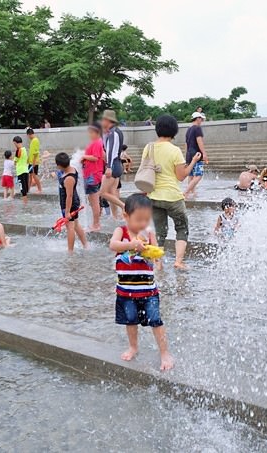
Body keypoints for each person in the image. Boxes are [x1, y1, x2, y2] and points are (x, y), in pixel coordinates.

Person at [109, 193, 173, 371]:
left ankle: (164, 352)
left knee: (155, 321)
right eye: (138, 219)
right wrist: (131, 245)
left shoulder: (148, 234)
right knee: (130, 321)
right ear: (126, 216)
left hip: (148, 291)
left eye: (146, 219)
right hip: (125, 292)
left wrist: (155, 259)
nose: (143, 223)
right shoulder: (121, 232)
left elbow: (156, 256)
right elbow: (113, 245)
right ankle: (133, 346)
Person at [144, 114, 201, 270]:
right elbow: (182, 176)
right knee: (182, 227)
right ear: (174, 131)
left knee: (160, 231)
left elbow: (146, 171)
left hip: (153, 196)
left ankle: (158, 263)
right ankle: (178, 261)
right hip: (172, 197)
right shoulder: (174, 150)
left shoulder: (149, 148)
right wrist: (194, 162)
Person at [55, 152, 87, 252]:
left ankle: (70, 251)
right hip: (73, 202)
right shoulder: (72, 169)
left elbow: (69, 196)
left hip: (69, 204)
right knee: (76, 225)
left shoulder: (69, 178)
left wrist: (67, 212)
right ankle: (86, 246)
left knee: (70, 227)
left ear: (59, 165)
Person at [101, 110, 126, 218]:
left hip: (114, 165)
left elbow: (112, 151)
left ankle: (124, 206)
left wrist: (109, 167)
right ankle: (116, 217)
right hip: (117, 164)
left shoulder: (113, 133)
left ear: (108, 120)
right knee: (112, 193)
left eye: (103, 119)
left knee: (102, 192)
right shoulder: (114, 131)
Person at [81, 123, 105, 231]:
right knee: (93, 201)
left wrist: (83, 156)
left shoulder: (97, 143)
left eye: (91, 132)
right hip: (92, 174)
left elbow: (95, 158)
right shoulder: (97, 142)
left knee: (94, 201)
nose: (89, 134)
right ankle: (96, 222)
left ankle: (96, 224)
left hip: (92, 175)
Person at [183, 111, 208, 198]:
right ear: (198, 118)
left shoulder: (188, 130)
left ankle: (192, 193)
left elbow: (186, 144)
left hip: (189, 155)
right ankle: (186, 192)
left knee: (191, 175)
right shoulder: (197, 128)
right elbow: (199, 141)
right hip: (197, 155)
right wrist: (204, 153)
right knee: (198, 175)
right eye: (201, 119)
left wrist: (187, 157)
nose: (202, 121)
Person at [13, 136, 30, 204]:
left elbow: (15, 162)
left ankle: (25, 205)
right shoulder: (24, 149)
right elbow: (27, 160)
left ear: (15, 143)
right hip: (26, 170)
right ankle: (26, 202)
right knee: (25, 189)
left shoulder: (18, 150)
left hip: (20, 171)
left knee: (23, 190)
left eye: (14, 144)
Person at [27, 128, 43, 194]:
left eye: (27, 135)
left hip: (34, 162)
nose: (28, 137)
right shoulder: (32, 141)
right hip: (31, 161)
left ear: (29, 134)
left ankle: (40, 189)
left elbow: (36, 153)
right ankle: (28, 189)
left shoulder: (35, 140)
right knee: (30, 175)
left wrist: (33, 162)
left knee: (34, 175)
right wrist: (28, 160)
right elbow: (31, 152)